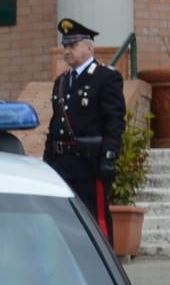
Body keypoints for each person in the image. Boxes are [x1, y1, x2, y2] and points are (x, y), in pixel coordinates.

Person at [42, 17, 125, 244]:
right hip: (63, 162)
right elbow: (56, 123)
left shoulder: (105, 77)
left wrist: (109, 158)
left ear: (89, 47)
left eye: (73, 45)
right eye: (65, 45)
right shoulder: (61, 82)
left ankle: (103, 261)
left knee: (95, 217)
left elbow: (114, 121)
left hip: (90, 162)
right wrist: (48, 159)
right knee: (66, 218)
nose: (67, 51)